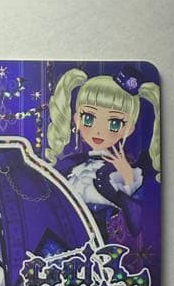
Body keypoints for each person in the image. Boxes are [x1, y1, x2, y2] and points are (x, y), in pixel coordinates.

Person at [45, 66, 160, 241]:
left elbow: (135, 220)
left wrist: (127, 176)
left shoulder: (123, 171)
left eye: (114, 123)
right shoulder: (71, 165)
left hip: (101, 243)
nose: (98, 131)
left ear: (129, 129)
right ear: (77, 119)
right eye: (89, 118)